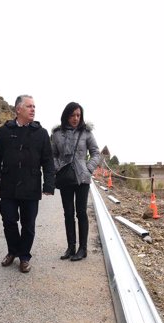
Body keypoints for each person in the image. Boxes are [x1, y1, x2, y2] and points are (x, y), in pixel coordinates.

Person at [0, 95, 54, 273]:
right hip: (9, 184)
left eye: (34, 106)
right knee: (9, 220)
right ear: (18, 109)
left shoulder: (41, 133)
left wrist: (48, 185)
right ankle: (12, 251)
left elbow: (48, 161)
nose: (33, 109)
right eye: (29, 106)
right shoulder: (5, 131)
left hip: (31, 186)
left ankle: (24, 256)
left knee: (28, 224)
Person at [51, 102, 102, 261]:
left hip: (82, 178)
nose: (75, 118)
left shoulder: (86, 133)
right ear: (66, 115)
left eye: (78, 115)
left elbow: (96, 153)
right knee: (68, 213)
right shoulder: (57, 134)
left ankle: (83, 249)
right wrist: (58, 167)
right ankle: (70, 247)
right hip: (65, 177)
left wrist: (88, 168)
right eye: (72, 115)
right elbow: (52, 155)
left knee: (81, 213)